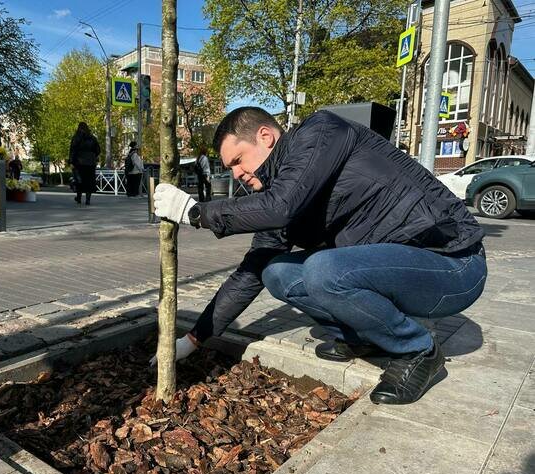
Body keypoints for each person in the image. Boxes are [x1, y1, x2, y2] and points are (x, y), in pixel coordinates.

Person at [152, 107, 487, 406]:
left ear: (265, 136)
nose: (236, 174)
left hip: (453, 263)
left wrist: (196, 213)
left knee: (323, 270)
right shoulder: (281, 196)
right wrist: (193, 339)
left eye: (237, 161)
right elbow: (248, 274)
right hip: (401, 268)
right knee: (275, 272)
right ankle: (363, 337)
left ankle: (418, 350)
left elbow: (282, 206)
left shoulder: (321, 132)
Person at [69, 122, 100, 205]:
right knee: (89, 181)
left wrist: (71, 161)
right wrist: (92, 156)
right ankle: (88, 200)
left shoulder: (76, 137)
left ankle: (79, 198)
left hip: (79, 162)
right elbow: (98, 150)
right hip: (91, 163)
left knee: (79, 180)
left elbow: (73, 150)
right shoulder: (93, 138)